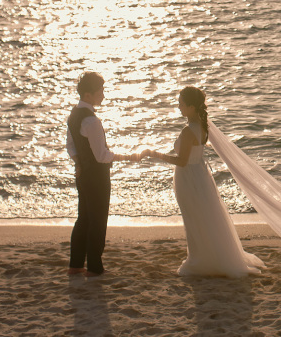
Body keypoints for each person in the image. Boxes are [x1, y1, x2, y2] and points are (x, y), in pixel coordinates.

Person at [141, 86, 264, 277]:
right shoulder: (203, 126)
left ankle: (199, 261)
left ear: (191, 106)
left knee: (194, 219)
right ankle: (209, 256)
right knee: (204, 218)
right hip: (200, 175)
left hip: (188, 178)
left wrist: (154, 154)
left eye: (181, 103)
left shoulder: (188, 131)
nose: (179, 106)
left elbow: (181, 161)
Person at [66, 71, 142, 277]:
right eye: (100, 91)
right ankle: (94, 268)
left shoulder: (73, 115)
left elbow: (70, 147)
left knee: (83, 218)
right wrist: (128, 157)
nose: (103, 95)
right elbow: (102, 155)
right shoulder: (92, 121)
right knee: (98, 220)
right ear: (88, 95)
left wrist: (78, 163)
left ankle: (75, 265)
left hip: (83, 175)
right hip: (97, 176)